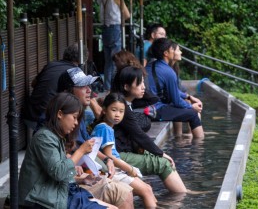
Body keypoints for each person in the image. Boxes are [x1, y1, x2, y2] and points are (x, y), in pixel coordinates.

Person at [18, 93, 115, 209]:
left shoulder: (55, 136)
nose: (76, 123)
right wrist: (81, 151)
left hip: (55, 192)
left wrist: (81, 180)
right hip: (40, 199)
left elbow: (53, 173)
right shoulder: (44, 138)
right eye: (74, 117)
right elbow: (59, 172)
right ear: (59, 114)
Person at [57, 67, 135, 208]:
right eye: (82, 86)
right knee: (122, 194)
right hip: (68, 181)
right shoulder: (52, 121)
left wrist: (107, 159)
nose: (89, 91)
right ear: (68, 92)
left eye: (89, 86)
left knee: (125, 192)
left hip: (83, 171)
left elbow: (88, 144)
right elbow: (55, 154)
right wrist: (71, 159)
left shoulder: (78, 116)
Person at [111, 66, 187, 193]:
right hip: (118, 155)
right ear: (126, 87)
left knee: (163, 162)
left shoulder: (126, 101)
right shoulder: (121, 106)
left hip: (125, 150)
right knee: (162, 163)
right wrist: (161, 153)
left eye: (143, 82)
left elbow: (153, 99)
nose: (143, 87)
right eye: (139, 83)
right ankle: (181, 195)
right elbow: (139, 134)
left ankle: (182, 192)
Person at [91, 92, 157, 208]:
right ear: (105, 110)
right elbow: (109, 156)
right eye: (114, 110)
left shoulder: (107, 128)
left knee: (147, 188)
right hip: (111, 172)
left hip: (115, 170)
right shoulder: (104, 128)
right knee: (146, 191)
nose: (117, 114)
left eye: (121, 111)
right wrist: (129, 168)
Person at [146, 38, 204, 138]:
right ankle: (199, 145)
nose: (178, 51)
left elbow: (174, 91)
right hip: (155, 110)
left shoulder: (151, 65)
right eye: (174, 49)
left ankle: (178, 138)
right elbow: (176, 101)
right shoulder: (168, 72)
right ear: (166, 53)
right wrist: (191, 107)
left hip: (147, 108)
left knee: (181, 108)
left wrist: (188, 96)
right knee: (193, 114)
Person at [23, 43, 89, 130]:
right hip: (46, 120)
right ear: (82, 61)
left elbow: (33, 84)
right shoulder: (76, 73)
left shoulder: (51, 65)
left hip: (29, 114)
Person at [97, 0, 130, 92]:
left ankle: (107, 87)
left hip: (105, 28)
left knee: (108, 61)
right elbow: (127, 14)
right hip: (115, 27)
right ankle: (115, 86)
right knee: (117, 59)